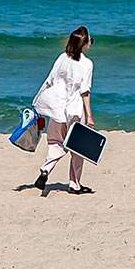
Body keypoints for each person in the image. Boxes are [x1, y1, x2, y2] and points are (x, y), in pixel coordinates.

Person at [31, 26, 95, 196]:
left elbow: (49, 81)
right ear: (84, 44)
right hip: (74, 110)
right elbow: (84, 91)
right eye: (89, 39)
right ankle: (74, 184)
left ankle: (46, 170)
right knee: (77, 147)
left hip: (57, 108)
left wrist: (39, 102)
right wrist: (89, 116)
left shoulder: (62, 58)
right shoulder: (87, 64)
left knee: (55, 141)